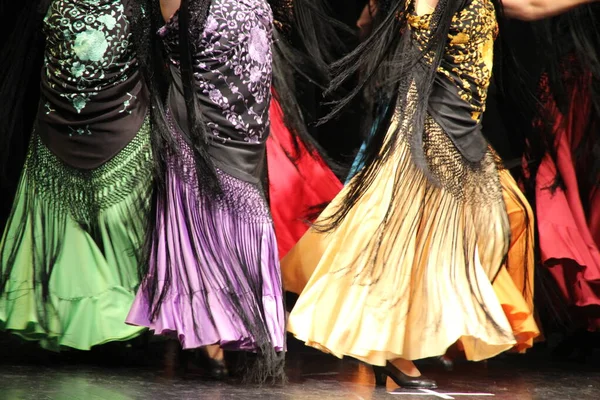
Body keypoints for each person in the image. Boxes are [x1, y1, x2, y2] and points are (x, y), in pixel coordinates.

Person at [281, 0, 539, 389]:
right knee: (411, 243)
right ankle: (395, 354)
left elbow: (533, 4)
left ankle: (401, 342)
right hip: (433, 129)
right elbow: (414, 26)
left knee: (491, 227)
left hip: (461, 125)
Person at [126, 0, 286, 382]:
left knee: (246, 223)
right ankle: (206, 335)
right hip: (200, 124)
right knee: (204, 224)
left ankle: (236, 331)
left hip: (247, 125)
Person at [0, 0, 156, 351]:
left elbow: (151, 61)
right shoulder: (47, 4)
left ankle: (124, 324)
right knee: (67, 234)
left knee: (121, 229)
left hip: (122, 125)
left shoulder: (137, 5)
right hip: (58, 126)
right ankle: (80, 325)